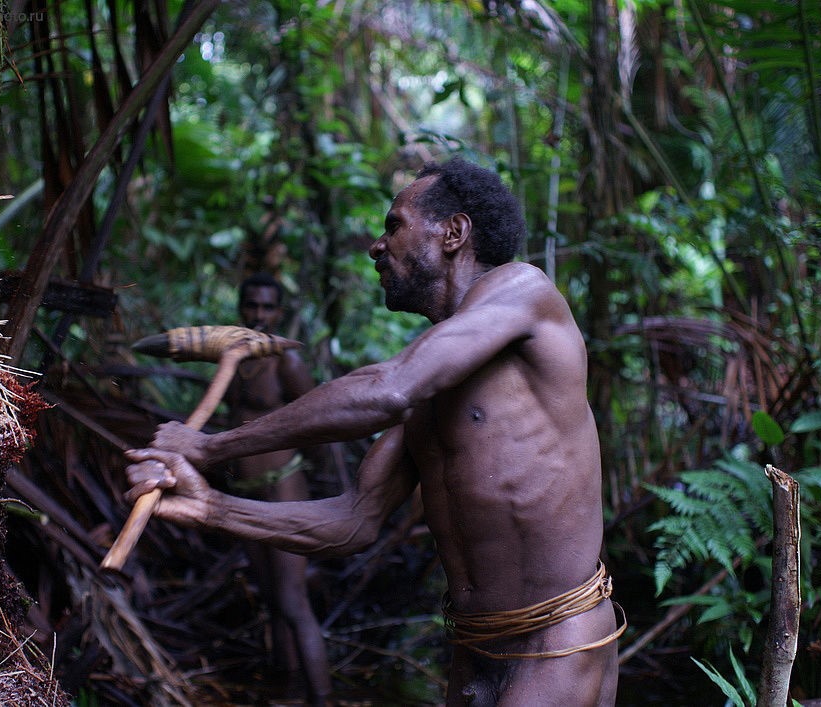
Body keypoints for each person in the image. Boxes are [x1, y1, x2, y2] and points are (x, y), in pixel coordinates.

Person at [125, 158, 624, 706]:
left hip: (556, 642)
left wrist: (208, 446)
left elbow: (389, 388)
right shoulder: (435, 387)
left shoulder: (524, 289)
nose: (375, 245)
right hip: (476, 652)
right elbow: (353, 520)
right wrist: (211, 507)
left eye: (394, 225)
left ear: (454, 233)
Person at [223, 272, 332, 702]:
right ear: (241, 309)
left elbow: (321, 418)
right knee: (271, 598)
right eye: (252, 305)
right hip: (247, 491)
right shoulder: (232, 357)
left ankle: (322, 698)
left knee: (291, 600)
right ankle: (285, 682)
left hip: (283, 487)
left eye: (268, 307)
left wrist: (330, 480)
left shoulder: (287, 361)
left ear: (279, 312)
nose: (259, 315)